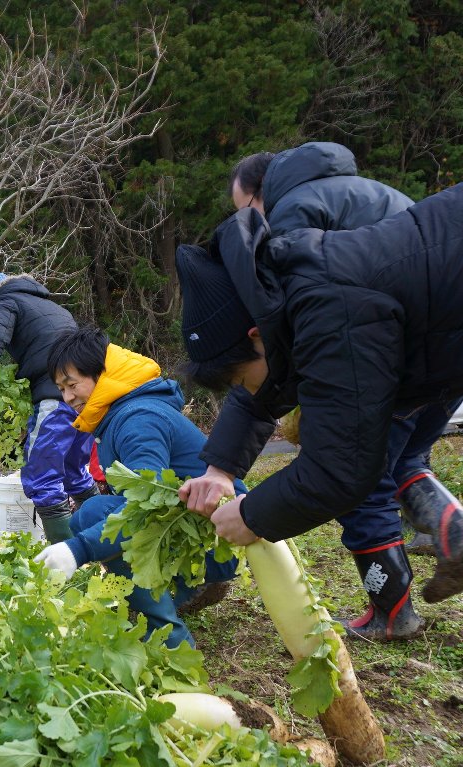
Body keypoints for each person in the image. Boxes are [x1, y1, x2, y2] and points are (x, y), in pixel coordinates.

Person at [174, 181, 463, 618]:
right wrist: (220, 470)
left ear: (256, 337)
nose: (246, 392)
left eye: (238, 379)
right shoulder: (294, 292)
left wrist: (251, 514)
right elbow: (269, 385)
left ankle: (394, 609)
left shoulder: (328, 305)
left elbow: (341, 468)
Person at [34, 327, 240, 648]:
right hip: (196, 533)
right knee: (91, 516)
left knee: (93, 514)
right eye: (61, 389)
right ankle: (180, 591)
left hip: (214, 543)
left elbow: (148, 508)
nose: (68, 398)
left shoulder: (137, 420)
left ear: (102, 375)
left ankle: (169, 639)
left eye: (73, 385)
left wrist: (78, 550)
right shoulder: (119, 413)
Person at [0, 273, 99, 543]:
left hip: (55, 396)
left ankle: (67, 557)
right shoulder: (54, 307)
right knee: (76, 471)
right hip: (84, 397)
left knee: (40, 474)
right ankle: (101, 547)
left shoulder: (7, 301)